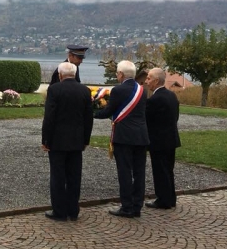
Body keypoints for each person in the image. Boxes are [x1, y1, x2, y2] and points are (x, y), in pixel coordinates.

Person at [94, 60, 149, 218]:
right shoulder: (142, 90)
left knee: (125, 172)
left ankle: (126, 207)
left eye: (117, 73)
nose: (117, 75)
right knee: (139, 173)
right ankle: (137, 206)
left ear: (121, 74)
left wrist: (92, 113)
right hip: (141, 136)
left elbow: (108, 111)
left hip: (124, 137)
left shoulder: (118, 90)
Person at [41, 62, 93, 221]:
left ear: (60, 75)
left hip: (57, 140)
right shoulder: (85, 90)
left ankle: (59, 211)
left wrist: (45, 139)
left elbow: (49, 116)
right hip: (77, 140)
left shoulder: (54, 89)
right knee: (74, 176)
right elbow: (88, 118)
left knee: (58, 176)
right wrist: (86, 139)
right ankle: (73, 209)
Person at [144, 68, 181, 209]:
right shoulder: (172, 95)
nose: (146, 82)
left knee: (160, 171)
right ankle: (170, 198)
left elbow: (147, 118)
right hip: (171, 138)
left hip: (158, 140)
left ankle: (163, 200)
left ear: (156, 80)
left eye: (148, 78)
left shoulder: (155, 99)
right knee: (168, 170)